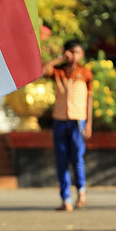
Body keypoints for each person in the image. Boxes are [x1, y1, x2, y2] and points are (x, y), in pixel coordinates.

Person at [43, 39, 93, 211]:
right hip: (60, 120)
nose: (74, 56)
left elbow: (89, 99)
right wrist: (59, 58)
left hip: (78, 119)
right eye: (71, 52)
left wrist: (89, 124)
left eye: (77, 52)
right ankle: (66, 199)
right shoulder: (58, 72)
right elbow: (42, 71)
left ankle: (81, 190)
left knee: (77, 158)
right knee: (61, 160)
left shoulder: (85, 73)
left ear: (82, 54)